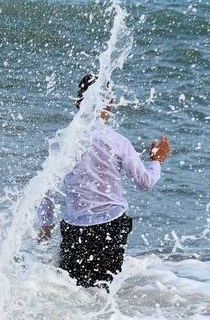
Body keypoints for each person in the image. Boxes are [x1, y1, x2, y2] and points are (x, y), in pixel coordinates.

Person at [37, 74, 172, 288]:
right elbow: (146, 182)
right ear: (110, 103)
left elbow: (48, 188)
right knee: (102, 294)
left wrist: (46, 225)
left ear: (78, 104)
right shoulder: (118, 142)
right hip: (111, 227)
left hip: (75, 229)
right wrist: (156, 161)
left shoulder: (62, 143)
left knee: (71, 292)